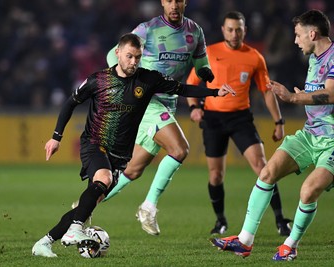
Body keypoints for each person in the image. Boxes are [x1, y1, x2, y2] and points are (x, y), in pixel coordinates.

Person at [31, 33, 235, 258]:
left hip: (120, 155)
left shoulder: (147, 79)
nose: (133, 62)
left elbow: (181, 89)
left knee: (92, 200)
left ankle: (44, 242)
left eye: (137, 57)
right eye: (129, 56)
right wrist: (56, 137)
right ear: (117, 53)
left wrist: (215, 92)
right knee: (103, 179)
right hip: (95, 143)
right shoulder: (98, 80)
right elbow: (70, 103)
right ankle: (74, 231)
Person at [210, 9, 334, 261]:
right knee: (267, 173)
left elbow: (332, 93)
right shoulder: (314, 59)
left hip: (332, 141)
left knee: (308, 191)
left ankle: (291, 244)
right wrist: (308, 95)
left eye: (298, 35)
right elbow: (321, 93)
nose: (296, 41)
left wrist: (295, 97)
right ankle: (244, 240)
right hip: (310, 134)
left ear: (313, 33)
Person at [103, 0, 215, 236]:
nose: (174, 5)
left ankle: (84, 207)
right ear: (163, 3)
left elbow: (201, 61)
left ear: (185, 2)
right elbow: (112, 56)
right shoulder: (147, 29)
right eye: (169, 0)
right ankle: (148, 206)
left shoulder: (195, 31)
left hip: (169, 102)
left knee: (133, 169)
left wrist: (205, 71)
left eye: (178, 0)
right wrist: (124, 83)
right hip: (146, 99)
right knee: (180, 149)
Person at [185, 11, 292, 236]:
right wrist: (194, 108)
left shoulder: (254, 57)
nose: (235, 34)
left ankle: (281, 220)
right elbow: (192, 85)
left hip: (241, 118)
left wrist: (279, 121)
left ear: (245, 30)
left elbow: (266, 91)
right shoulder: (209, 53)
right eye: (230, 29)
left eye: (239, 29)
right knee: (215, 175)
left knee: (264, 168)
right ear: (223, 30)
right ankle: (220, 221)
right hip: (213, 119)